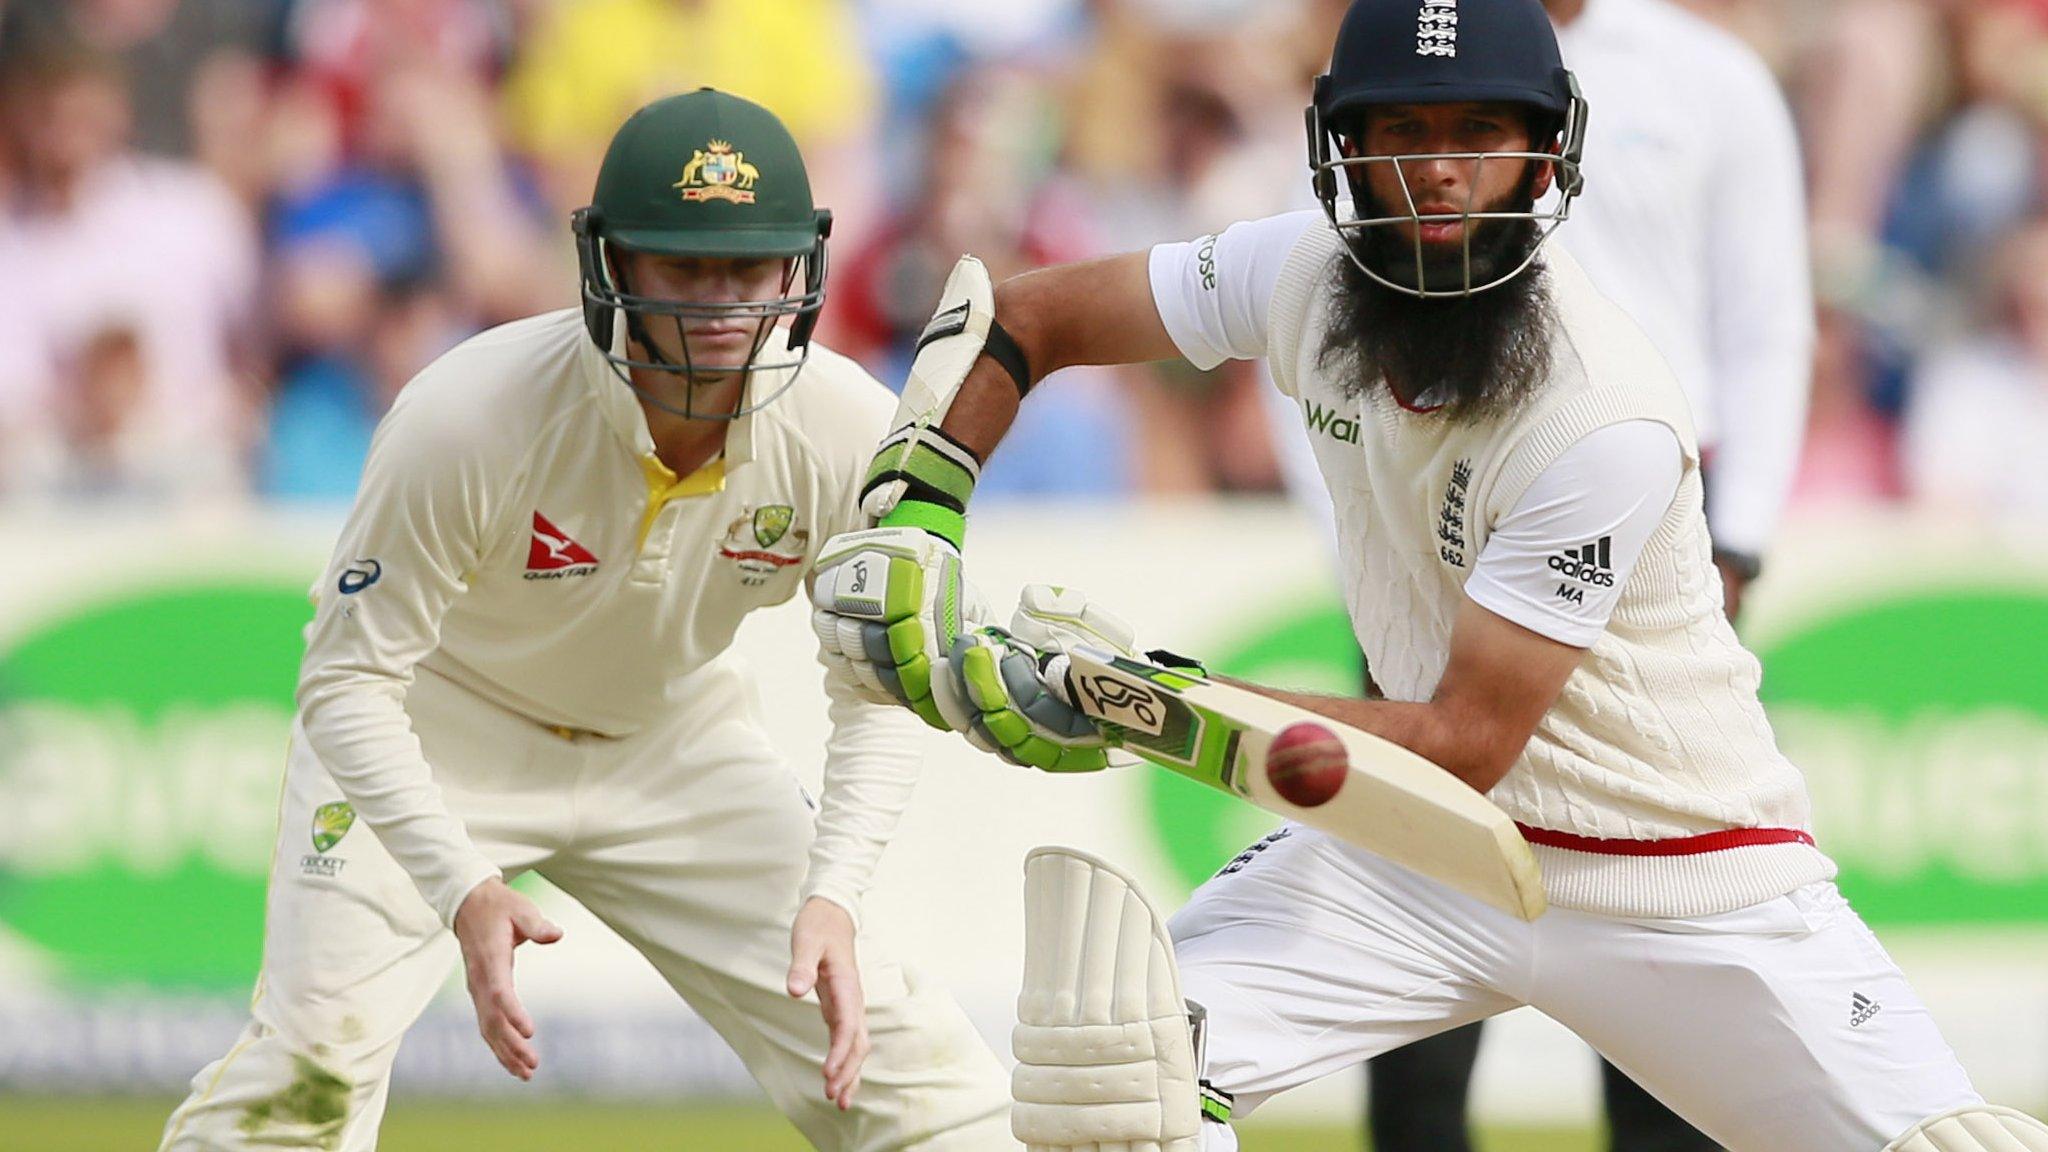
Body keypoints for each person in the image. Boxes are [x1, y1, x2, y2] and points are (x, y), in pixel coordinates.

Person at [807, 2, 2048, 1150]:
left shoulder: (1600, 413)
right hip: (1412, 861)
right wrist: (918, 509)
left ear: (1546, 154)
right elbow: (1025, 318)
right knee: (1112, 1068)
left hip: (1675, 875)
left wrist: (1126, 694)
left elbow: (1462, 740)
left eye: (1477, 134)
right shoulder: (1293, 273)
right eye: (1399, 132)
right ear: (1336, 148)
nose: (1439, 169)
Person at [157, 89, 1013, 1152]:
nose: (720, 306)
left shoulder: (841, 424)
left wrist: (832, 892)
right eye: (682, 267)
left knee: (926, 1085)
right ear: (611, 267)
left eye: (747, 271)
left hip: (669, 746)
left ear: (796, 269)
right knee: (300, 1092)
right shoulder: (468, 415)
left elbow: (878, 678)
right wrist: (460, 881)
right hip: (441, 737)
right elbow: (347, 684)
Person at [1341, 0, 1815, 1145]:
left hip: (1656, 562)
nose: (1435, 156)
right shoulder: (1402, 60)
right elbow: (1323, 309)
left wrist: (1734, 541)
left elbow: (1765, 326)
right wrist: (1379, 568)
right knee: (1410, 942)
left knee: (1668, 939)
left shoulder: (1708, 77)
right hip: (1434, 555)